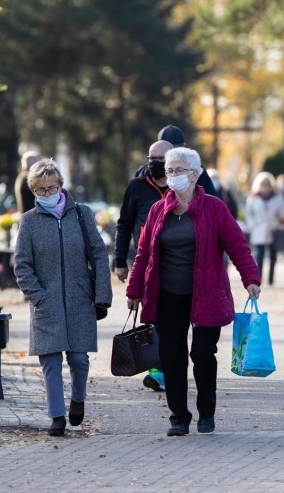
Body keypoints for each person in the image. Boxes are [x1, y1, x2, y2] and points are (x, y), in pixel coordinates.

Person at [126, 147, 261, 437]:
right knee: (172, 356)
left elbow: (237, 245)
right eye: (170, 170)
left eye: (179, 170)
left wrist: (251, 278)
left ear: (195, 174)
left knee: (202, 353)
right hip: (168, 295)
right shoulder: (158, 210)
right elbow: (143, 254)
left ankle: (206, 412)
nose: (172, 175)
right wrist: (135, 289)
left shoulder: (214, 207)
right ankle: (178, 416)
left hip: (207, 293)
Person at [14, 159, 112, 436]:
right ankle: (57, 416)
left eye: (51, 187)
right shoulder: (29, 222)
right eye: (41, 190)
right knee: (51, 363)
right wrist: (38, 296)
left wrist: (101, 296)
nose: (47, 193)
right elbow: (22, 265)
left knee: (79, 359)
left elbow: (99, 255)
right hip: (47, 304)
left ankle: (78, 399)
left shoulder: (81, 214)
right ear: (33, 191)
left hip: (80, 301)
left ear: (61, 186)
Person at [114, 139, 173, 392]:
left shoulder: (182, 186)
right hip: (147, 263)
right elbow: (123, 224)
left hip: (177, 263)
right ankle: (158, 370)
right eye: (151, 158)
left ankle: (169, 367)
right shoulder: (136, 187)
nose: (154, 164)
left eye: (161, 159)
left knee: (172, 320)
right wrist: (119, 261)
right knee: (154, 318)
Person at [135, 125, 217, 196]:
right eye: (169, 151)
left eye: (177, 149)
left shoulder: (195, 170)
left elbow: (211, 201)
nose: (174, 155)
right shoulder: (145, 173)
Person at [245, 171, 284, 286]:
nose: (266, 187)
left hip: (273, 229)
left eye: (268, 185)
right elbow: (249, 214)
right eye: (263, 185)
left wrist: (280, 221)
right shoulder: (253, 197)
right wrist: (252, 225)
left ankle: (271, 279)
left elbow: (283, 211)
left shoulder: (277, 196)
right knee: (260, 256)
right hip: (258, 230)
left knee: (273, 256)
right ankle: (259, 279)